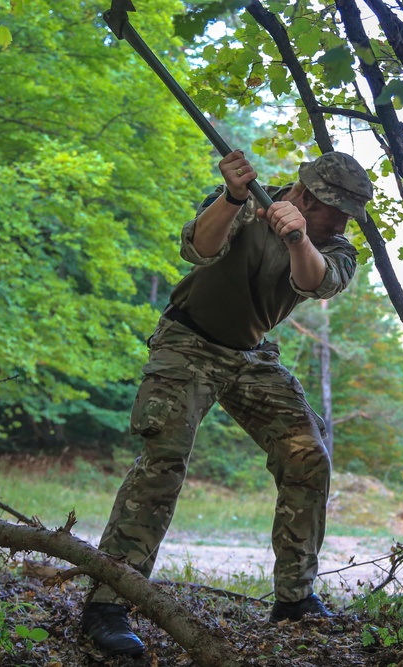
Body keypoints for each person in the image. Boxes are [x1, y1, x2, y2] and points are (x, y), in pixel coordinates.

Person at [80, 150, 374, 657]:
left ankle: (295, 601)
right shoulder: (243, 201)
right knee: (163, 461)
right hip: (187, 341)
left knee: (308, 457)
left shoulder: (336, 248)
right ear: (305, 195)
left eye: (350, 214)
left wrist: (300, 236)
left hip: (251, 355)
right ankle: (108, 604)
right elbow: (197, 249)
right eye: (336, 209)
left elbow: (314, 282)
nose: (344, 221)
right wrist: (234, 196)